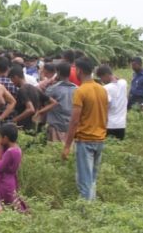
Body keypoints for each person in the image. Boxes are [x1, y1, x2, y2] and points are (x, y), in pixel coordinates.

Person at [62, 58, 108, 201]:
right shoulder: (102, 89)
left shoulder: (80, 91)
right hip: (100, 139)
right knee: (92, 179)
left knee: (84, 181)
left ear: (79, 71)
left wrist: (67, 146)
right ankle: (92, 209)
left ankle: (86, 214)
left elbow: (74, 121)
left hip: (85, 140)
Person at [0, 123, 29, 213]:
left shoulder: (10, 152)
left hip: (4, 183)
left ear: (6, 138)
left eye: (0, 137)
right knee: (5, 207)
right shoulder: (17, 149)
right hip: (11, 181)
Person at [38, 61, 76, 142]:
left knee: (54, 151)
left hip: (55, 127)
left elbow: (45, 106)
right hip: (71, 128)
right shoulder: (77, 89)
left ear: (58, 73)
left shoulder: (52, 89)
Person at [8, 65, 48, 131]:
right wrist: (39, 112)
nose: (12, 82)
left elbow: (30, 109)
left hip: (24, 126)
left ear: (16, 77)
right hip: (34, 125)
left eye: (12, 80)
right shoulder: (34, 88)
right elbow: (53, 102)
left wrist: (14, 120)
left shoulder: (22, 90)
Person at [98, 65, 128, 140]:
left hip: (109, 125)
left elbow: (105, 106)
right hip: (121, 124)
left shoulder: (105, 88)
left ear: (106, 75)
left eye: (101, 77)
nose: (101, 81)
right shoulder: (123, 83)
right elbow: (119, 80)